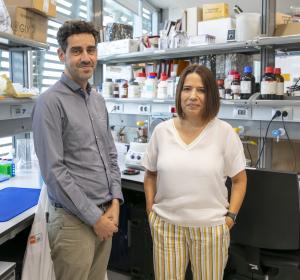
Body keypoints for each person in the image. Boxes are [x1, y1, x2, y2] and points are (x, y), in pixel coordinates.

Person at [32, 20, 123, 280]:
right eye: (77, 51)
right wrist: (95, 218)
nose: (86, 58)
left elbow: (110, 155)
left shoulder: (98, 100)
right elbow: (54, 172)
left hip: (106, 214)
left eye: (91, 50)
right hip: (74, 224)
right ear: (62, 55)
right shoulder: (50, 102)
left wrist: (115, 201)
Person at [143, 64, 247, 280]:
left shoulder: (224, 133)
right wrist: (150, 211)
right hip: (166, 227)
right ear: (179, 92)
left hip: (210, 230)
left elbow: (239, 180)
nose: (193, 96)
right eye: (187, 89)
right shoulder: (162, 132)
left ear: (210, 96)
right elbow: (150, 174)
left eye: (201, 90)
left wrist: (231, 217)